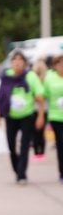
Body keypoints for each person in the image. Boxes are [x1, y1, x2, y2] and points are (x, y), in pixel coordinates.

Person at [0, 50, 46, 184]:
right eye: (14, 60)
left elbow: (40, 97)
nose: (17, 62)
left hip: (27, 116)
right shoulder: (6, 77)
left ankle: (22, 174)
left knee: (24, 145)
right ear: (11, 63)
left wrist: (40, 116)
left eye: (20, 60)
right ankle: (17, 168)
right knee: (11, 144)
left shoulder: (31, 76)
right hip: (11, 116)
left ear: (25, 63)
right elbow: (0, 97)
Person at [43, 54, 63, 182]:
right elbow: (45, 94)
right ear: (55, 65)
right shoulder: (50, 77)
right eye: (59, 63)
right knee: (61, 143)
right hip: (56, 116)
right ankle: (62, 172)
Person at [31, 59, 49, 160]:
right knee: (40, 132)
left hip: (38, 108)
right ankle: (40, 152)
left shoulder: (44, 81)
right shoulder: (35, 81)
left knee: (37, 132)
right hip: (39, 108)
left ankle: (38, 152)